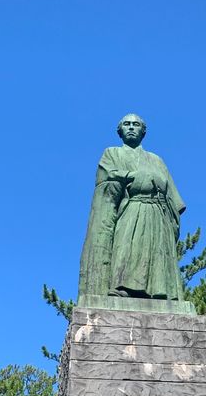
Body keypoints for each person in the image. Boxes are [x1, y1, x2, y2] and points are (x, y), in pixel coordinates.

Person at [78, 113, 186, 302]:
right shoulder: (112, 153)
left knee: (157, 254)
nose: (130, 127)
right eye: (126, 124)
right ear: (120, 131)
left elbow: (173, 197)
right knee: (127, 247)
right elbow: (108, 177)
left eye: (135, 125)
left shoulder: (156, 160)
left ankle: (160, 291)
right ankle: (123, 287)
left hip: (157, 214)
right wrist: (134, 176)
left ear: (143, 132)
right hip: (131, 208)